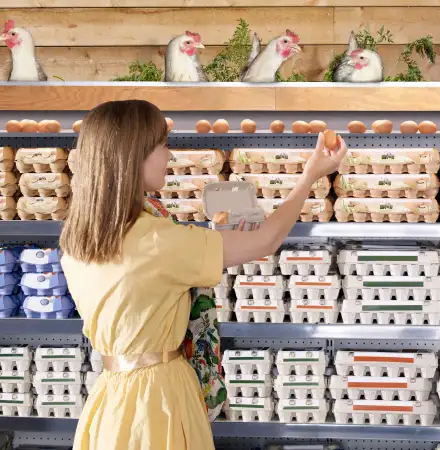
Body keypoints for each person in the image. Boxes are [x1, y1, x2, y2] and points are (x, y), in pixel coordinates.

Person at [59, 99, 347, 450]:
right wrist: (311, 175)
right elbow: (266, 240)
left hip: (109, 397)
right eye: (162, 145)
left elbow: (147, 281)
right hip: (158, 398)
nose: (169, 156)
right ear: (133, 155)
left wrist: (210, 238)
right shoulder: (157, 239)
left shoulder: (81, 238)